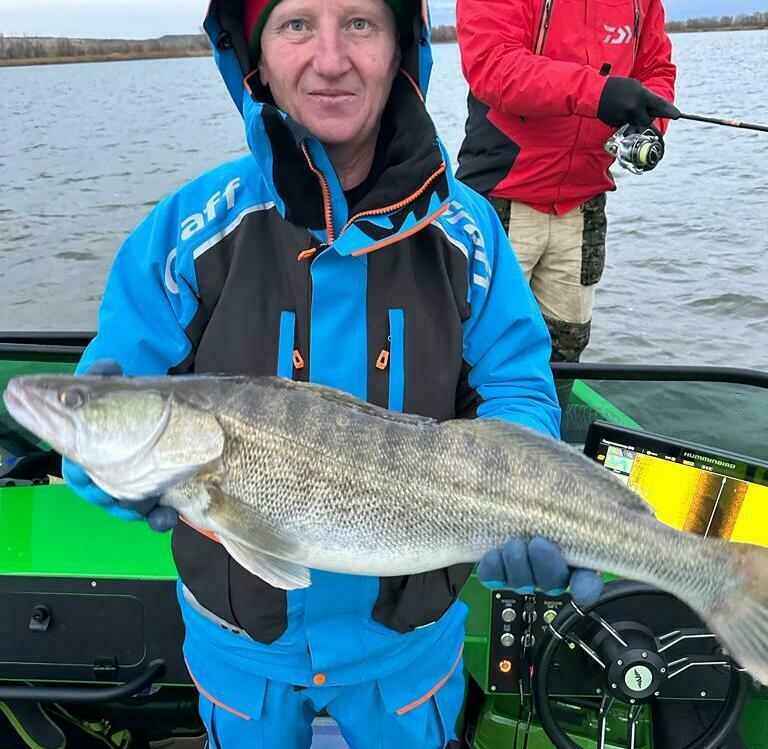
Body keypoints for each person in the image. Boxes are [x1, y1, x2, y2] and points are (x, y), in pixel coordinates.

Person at [62, 0, 602, 745]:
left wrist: (522, 493)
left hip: (409, 652)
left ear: (401, 48)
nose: (330, 58)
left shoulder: (469, 230)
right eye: (295, 25)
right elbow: (112, 403)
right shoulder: (189, 230)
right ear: (254, 55)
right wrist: (104, 466)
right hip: (242, 650)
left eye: (359, 23)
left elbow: (515, 384)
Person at [455, 0, 679, 368]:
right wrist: (598, 92)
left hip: (584, 206)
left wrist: (649, 125)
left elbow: (656, 70)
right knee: (473, 349)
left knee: (565, 348)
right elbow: (492, 65)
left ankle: (552, 407)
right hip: (499, 201)